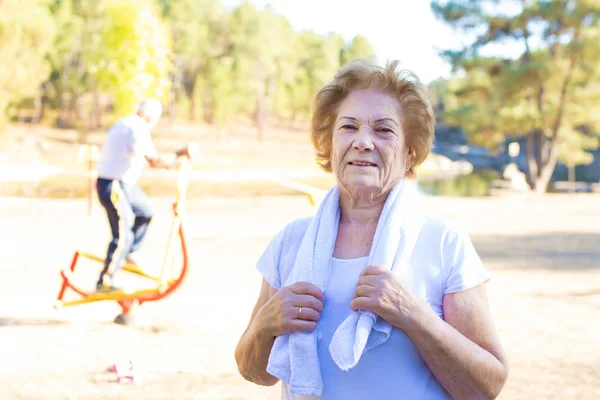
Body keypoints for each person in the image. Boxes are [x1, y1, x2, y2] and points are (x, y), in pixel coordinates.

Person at [234, 60, 509, 399]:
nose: (363, 141)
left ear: (409, 151)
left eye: (383, 130)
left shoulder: (443, 243)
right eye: (349, 127)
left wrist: (413, 314)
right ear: (329, 143)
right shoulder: (292, 241)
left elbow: (486, 387)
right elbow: (253, 372)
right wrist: (265, 325)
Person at [95, 98, 193, 292]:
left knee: (145, 211)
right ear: (153, 117)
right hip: (114, 185)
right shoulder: (136, 128)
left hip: (124, 184)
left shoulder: (126, 124)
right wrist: (180, 153)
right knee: (122, 234)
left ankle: (129, 253)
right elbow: (154, 161)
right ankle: (105, 280)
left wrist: (173, 162)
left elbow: (142, 160)